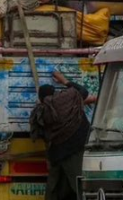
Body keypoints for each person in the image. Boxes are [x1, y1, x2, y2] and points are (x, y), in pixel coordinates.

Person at [30, 71, 93, 200]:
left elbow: (41, 134)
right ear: (55, 93)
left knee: (55, 188)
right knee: (78, 185)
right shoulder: (67, 99)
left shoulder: (40, 111)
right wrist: (64, 81)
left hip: (56, 154)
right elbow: (83, 91)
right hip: (75, 148)